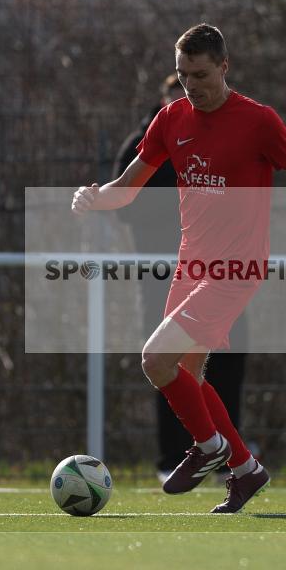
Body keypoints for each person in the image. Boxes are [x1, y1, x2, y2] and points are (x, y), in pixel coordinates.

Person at [72, 24, 286, 513]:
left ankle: (212, 448)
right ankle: (245, 469)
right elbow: (128, 185)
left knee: (154, 360)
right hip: (190, 264)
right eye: (182, 75)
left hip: (236, 267)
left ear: (224, 66)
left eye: (200, 74)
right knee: (188, 376)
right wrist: (95, 198)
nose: (191, 85)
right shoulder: (170, 119)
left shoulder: (258, 121)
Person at [111, 75, 249, 485]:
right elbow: (124, 202)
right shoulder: (149, 142)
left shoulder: (229, 132)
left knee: (221, 366)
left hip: (222, 269)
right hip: (164, 274)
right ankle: (178, 454)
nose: (189, 100)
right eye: (180, 92)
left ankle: (230, 458)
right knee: (165, 364)